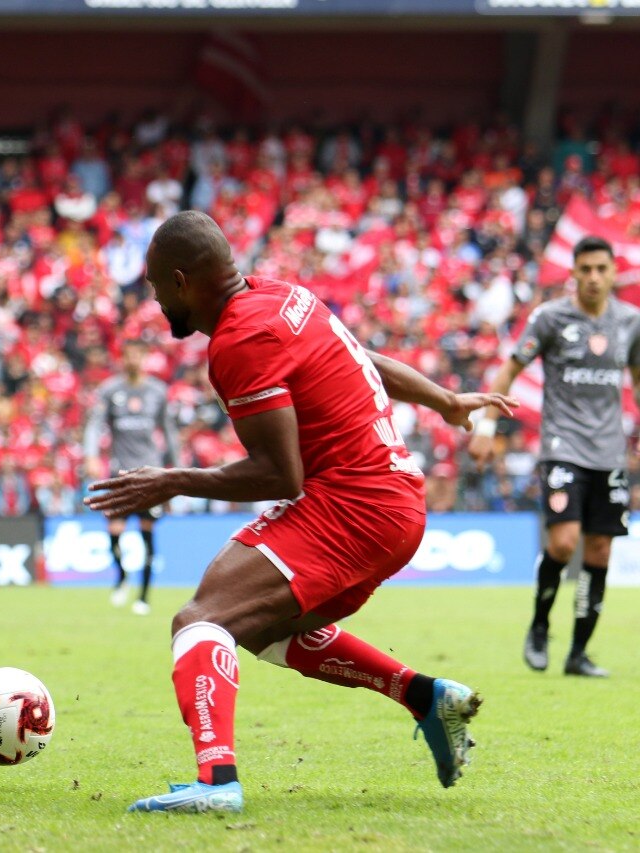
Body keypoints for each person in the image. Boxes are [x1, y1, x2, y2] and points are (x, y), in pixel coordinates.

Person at [86, 211, 515, 814]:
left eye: (157, 287)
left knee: (201, 620)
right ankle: (425, 695)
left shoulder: (239, 341)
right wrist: (443, 400)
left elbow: (278, 474)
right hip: (391, 503)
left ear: (182, 281)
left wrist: (171, 481)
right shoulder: (284, 296)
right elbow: (357, 357)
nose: (155, 299)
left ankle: (217, 784)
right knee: (261, 628)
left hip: (355, 505)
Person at [469, 235, 640, 678]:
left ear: (613, 272)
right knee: (564, 543)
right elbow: (509, 370)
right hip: (562, 447)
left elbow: (637, 380)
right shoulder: (549, 318)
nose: (594, 278)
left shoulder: (630, 322)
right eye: (585, 270)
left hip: (610, 453)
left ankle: (579, 654)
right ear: (574, 273)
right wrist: (487, 424)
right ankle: (540, 626)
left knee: (600, 550)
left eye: (602, 269)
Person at [83, 338, 179, 614]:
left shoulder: (157, 391)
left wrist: (176, 468)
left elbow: (169, 433)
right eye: (128, 354)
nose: (133, 359)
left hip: (150, 474)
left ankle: (144, 596)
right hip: (119, 474)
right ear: (122, 358)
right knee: (114, 532)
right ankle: (122, 576)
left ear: (145, 357)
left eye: (138, 354)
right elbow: (94, 425)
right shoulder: (110, 390)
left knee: (147, 533)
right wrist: (91, 455)